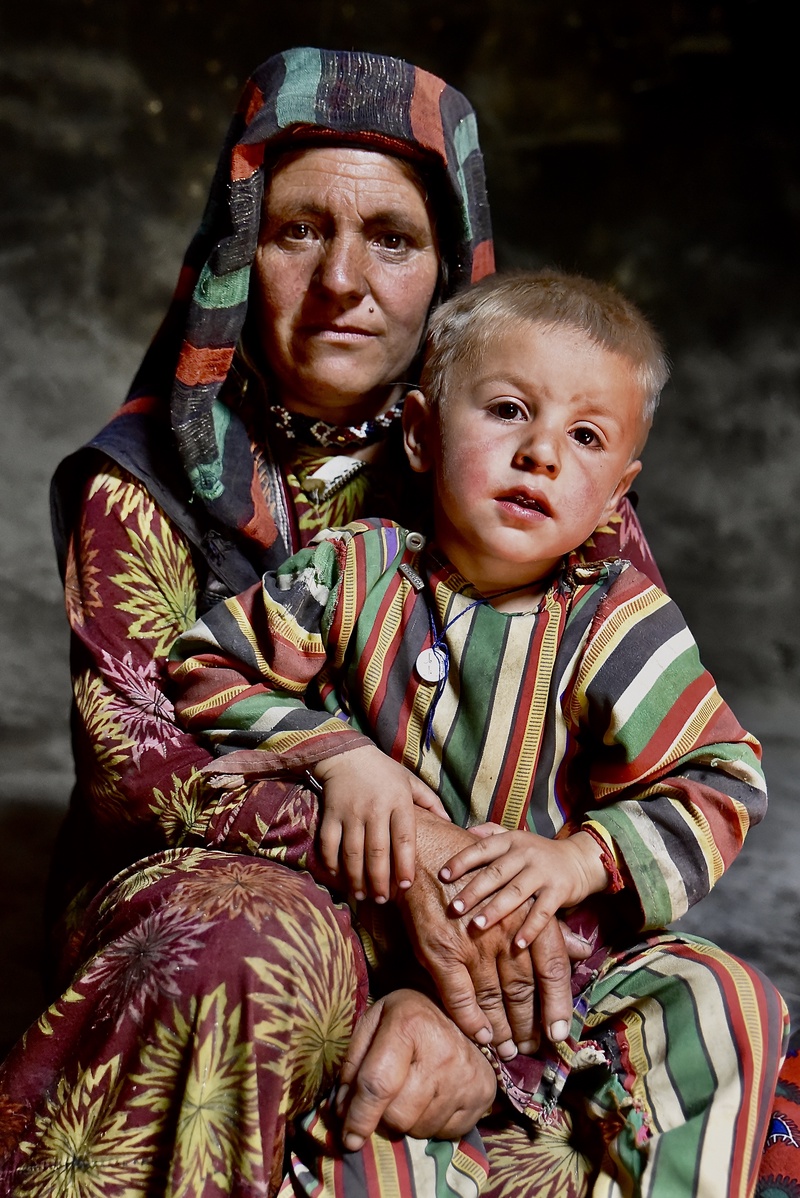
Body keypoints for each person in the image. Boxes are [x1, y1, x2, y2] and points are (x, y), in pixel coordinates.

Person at [0, 45, 779, 1198]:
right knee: (252, 950)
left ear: (447, 266)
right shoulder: (146, 484)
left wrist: (506, 896)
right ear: (236, 248)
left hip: (503, 933)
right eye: (298, 229)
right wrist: (393, 843)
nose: (343, 283)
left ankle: (459, 1082)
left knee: (705, 1008)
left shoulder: (530, 465)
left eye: (394, 240)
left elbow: (660, 773)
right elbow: (139, 762)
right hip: (234, 883)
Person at [168, 270, 787, 1195]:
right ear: (420, 434)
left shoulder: (619, 621)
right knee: (367, 1127)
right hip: (395, 966)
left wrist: (579, 860)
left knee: (731, 1002)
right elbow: (205, 666)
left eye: (584, 437)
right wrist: (340, 757)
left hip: (574, 972)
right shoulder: (354, 572)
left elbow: (721, 780)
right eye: (507, 411)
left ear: (618, 491)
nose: (541, 453)